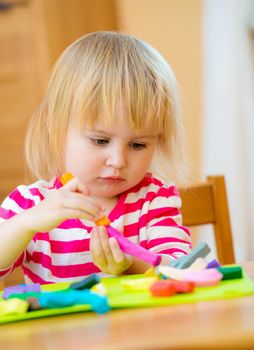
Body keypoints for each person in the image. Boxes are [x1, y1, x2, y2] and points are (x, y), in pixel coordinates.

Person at [0, 31, 191, 284]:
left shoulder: (154, 200)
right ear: (54, 125)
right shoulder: (30, 204)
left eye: (137, 144)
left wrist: (131, 264)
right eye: (100, 140)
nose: (118, 160)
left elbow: (180, 267)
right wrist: (26, 224)